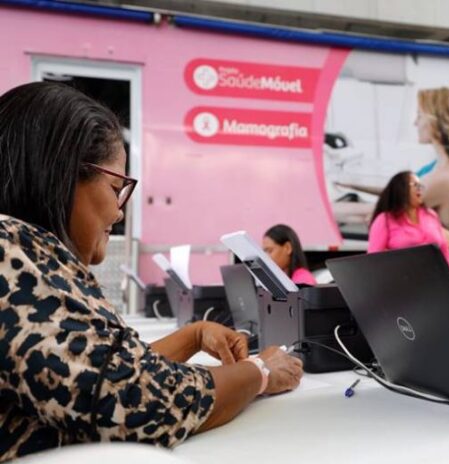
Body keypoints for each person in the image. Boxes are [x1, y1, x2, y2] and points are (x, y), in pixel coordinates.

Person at [0, 81, 303, 461]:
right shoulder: (9, 250)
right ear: (60, 177)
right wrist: (260, 371)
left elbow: (93, 370)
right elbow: (133, 402)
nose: (118, 212)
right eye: (116, 187)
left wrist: (193, 336)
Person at [335, 87, 449, 231]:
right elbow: (399, 192)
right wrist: (351, 184)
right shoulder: (442, 167)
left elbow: (376, 210)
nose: (415, 123)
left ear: (434, 122)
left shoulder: (445, 178)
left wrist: (326, 208)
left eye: (419, 116)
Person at [367, 171, 449, 272]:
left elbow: (444, 251)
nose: (420, 188)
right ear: (401, 189)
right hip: (401, 278)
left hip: (434, 278)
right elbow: (373, 260)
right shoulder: (384, 220)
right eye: (415, 185)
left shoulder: (431, 215)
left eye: (420, 185)